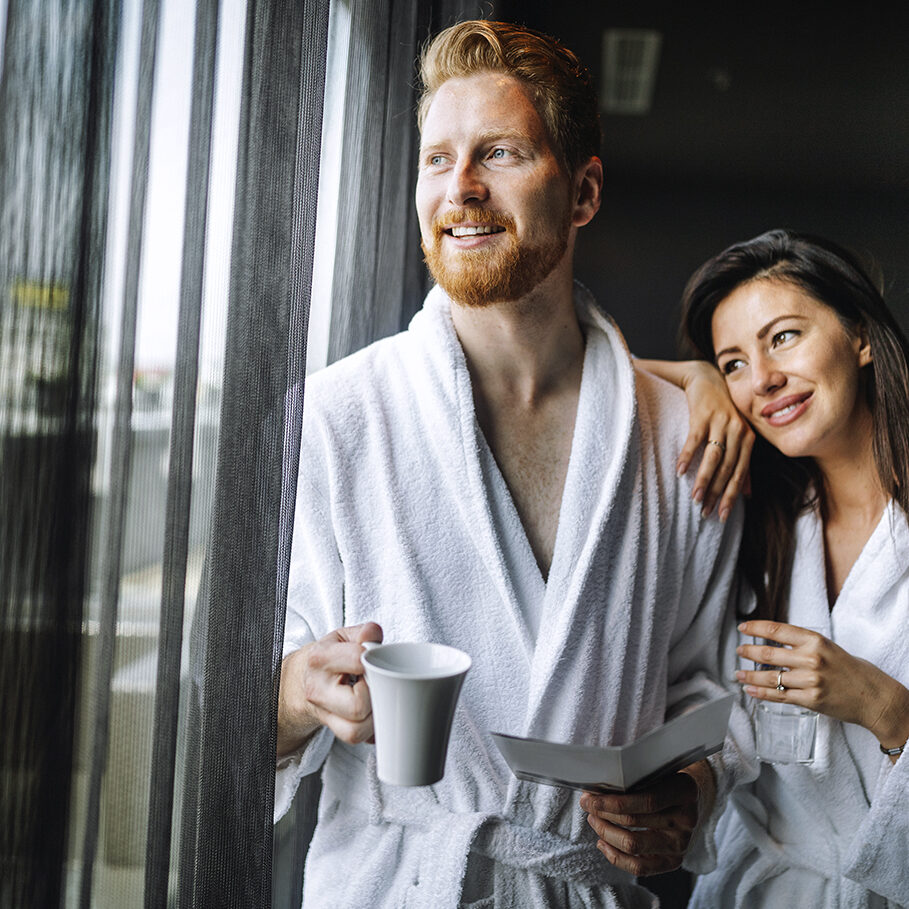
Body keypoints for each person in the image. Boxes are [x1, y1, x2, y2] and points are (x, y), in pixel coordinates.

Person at [275, 20, 745, 908]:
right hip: (395, 884)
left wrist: (689, 792)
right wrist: (299, 692)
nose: (460, 189)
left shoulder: (681, 432)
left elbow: (707, 681)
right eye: (437, 159)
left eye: (498, 153)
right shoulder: (337, 416)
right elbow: (226, 712)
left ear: (583, 192)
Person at [644, 228, 909, 907]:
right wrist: (693, 377)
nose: (760, 379)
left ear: (856, 335)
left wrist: (881, 706)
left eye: (782, 336)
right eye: (732, 362)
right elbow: (572, 364)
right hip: (762, 887)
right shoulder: (757, 525)